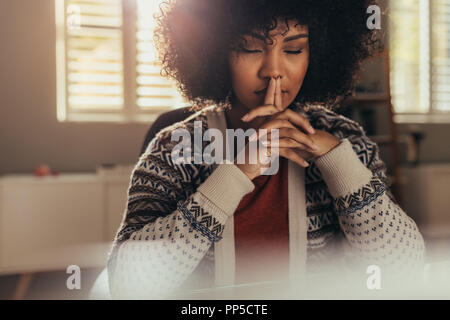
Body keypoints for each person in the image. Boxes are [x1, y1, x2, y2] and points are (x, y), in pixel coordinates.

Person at [107, 0, 425, 299]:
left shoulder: (345, 139)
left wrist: (339, 163)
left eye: (294, 49)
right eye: (250, 48)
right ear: (216, 52)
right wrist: (237, 173)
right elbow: (127, 284)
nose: (273, 70)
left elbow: (405, 270)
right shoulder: (178, 148)